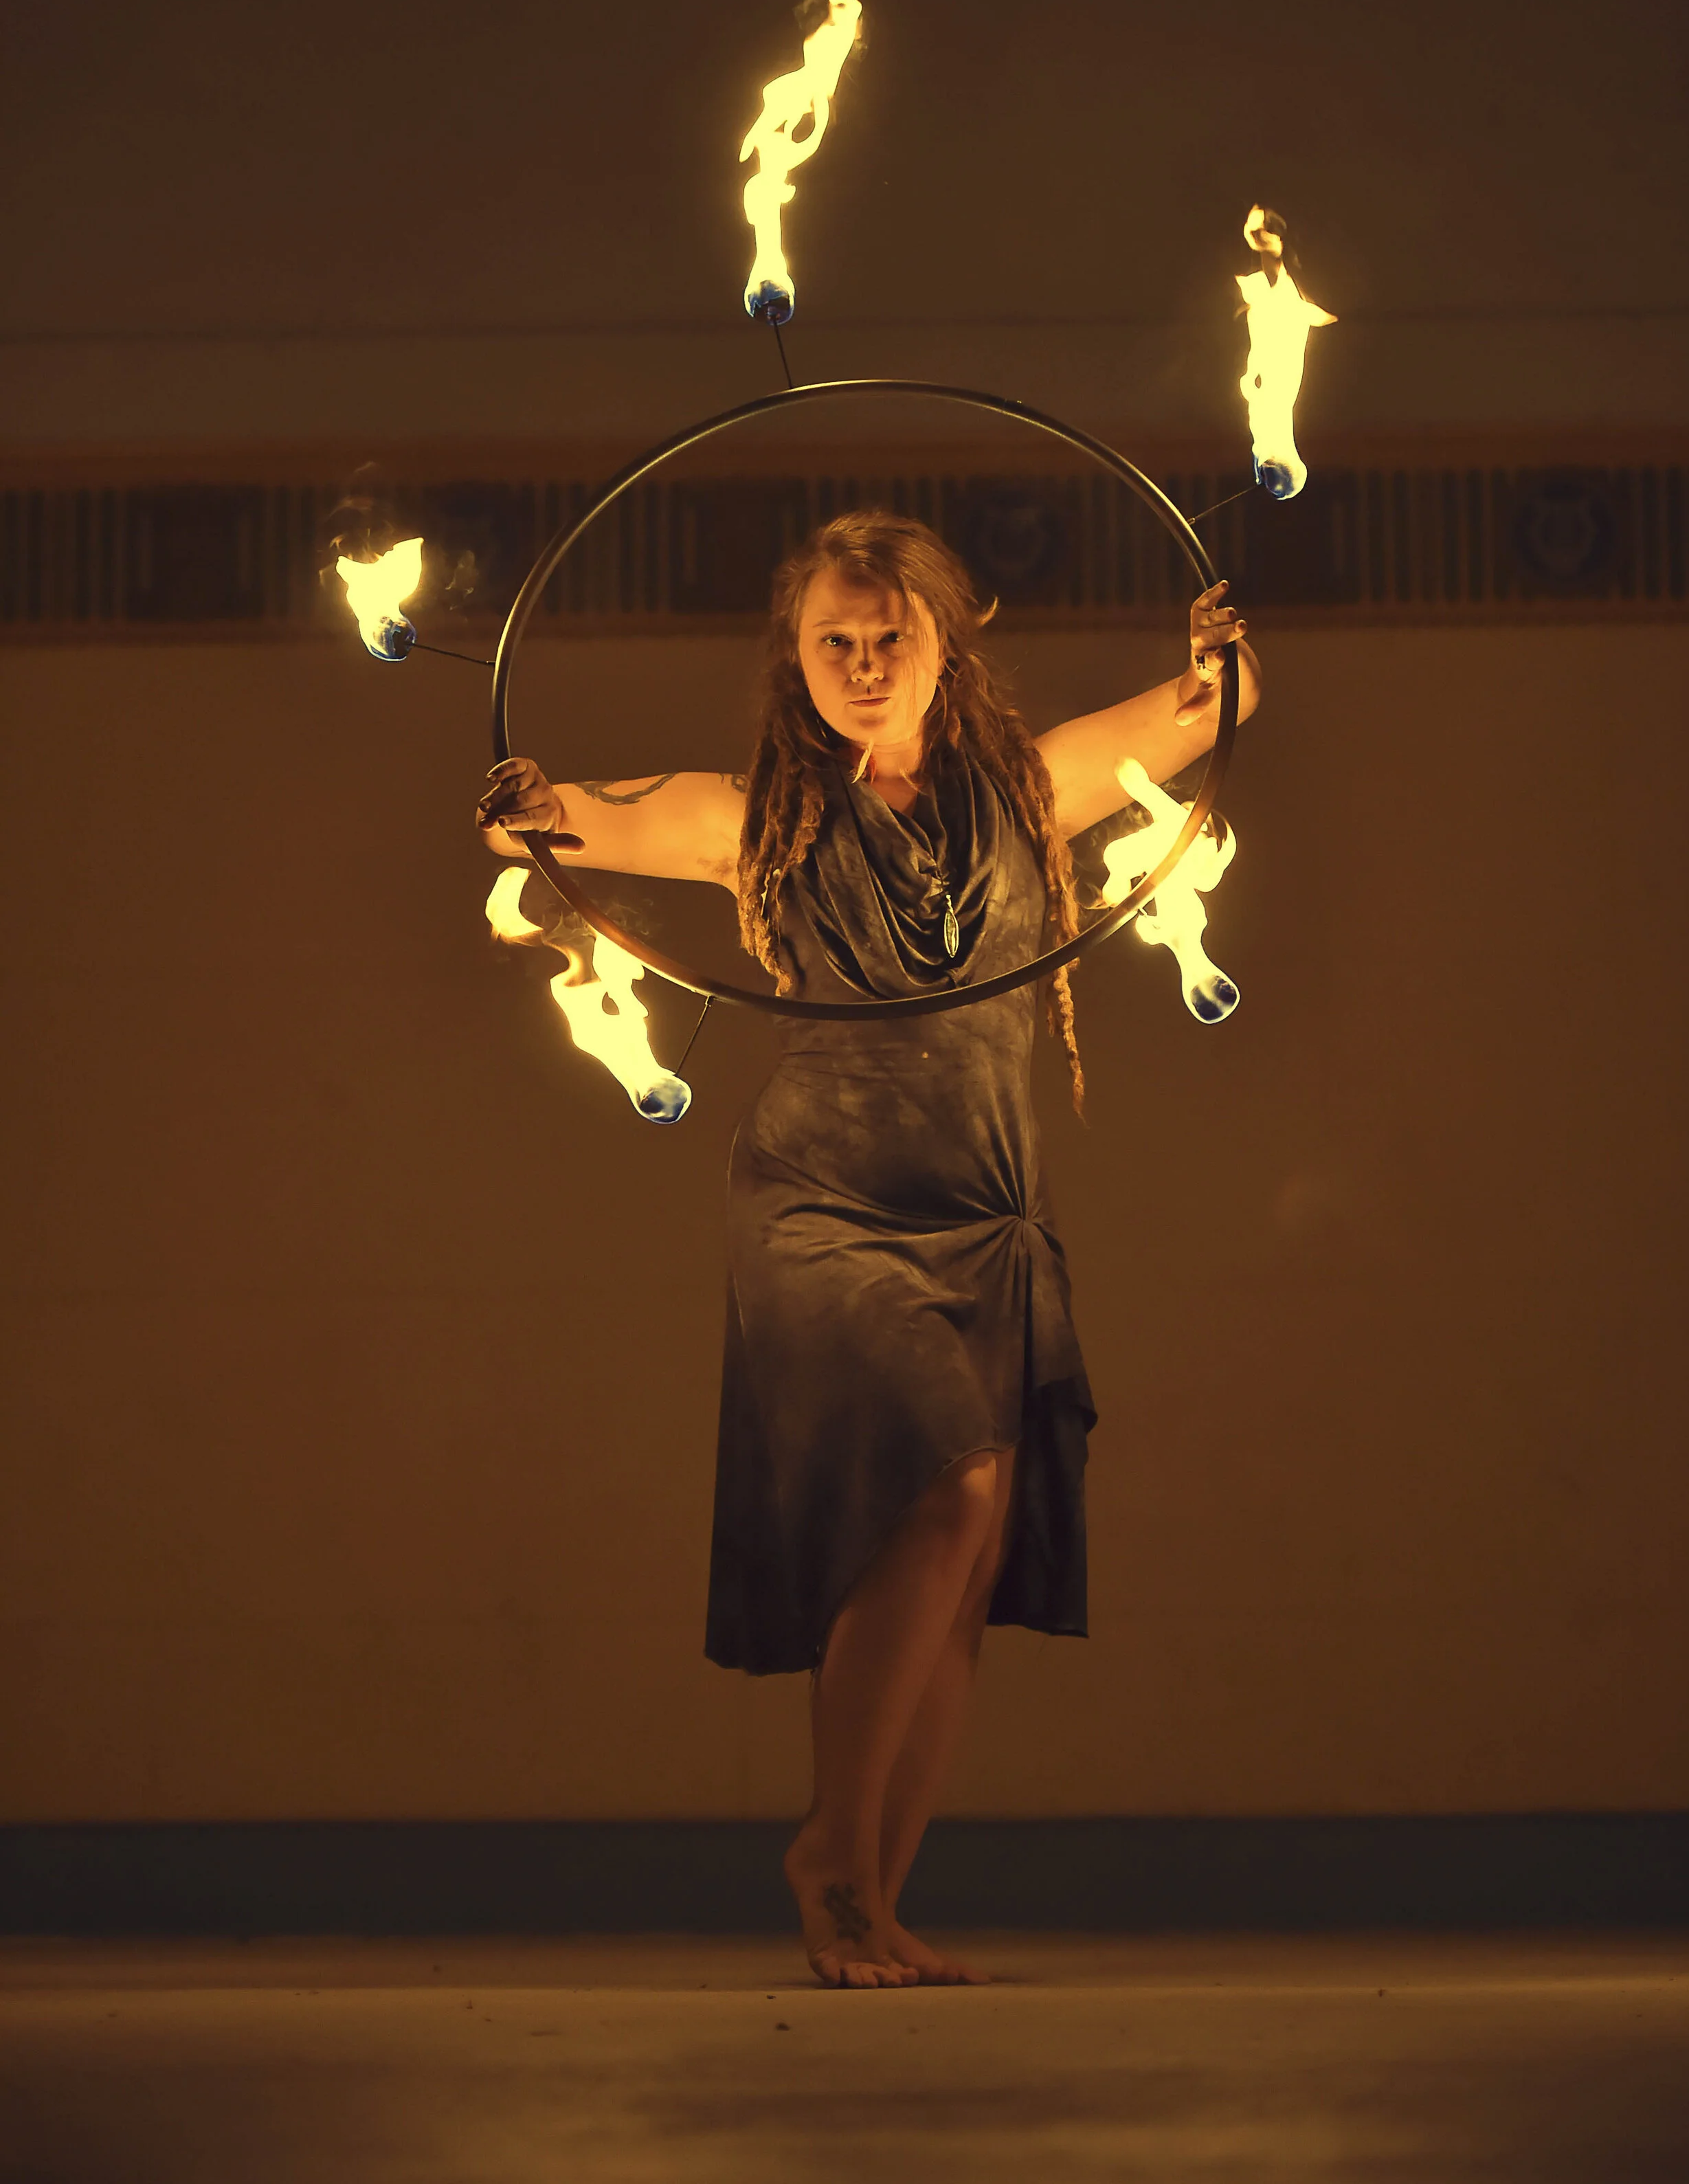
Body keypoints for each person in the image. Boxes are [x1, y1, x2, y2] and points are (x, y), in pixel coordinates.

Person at [478, 511, 1259, 1987]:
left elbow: (1208, 706)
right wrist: (525, 803)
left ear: (942, 637)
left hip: (984, 1212)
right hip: (821, 1205)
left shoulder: (1035, 791)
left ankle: (877, 1895)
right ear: (794, 653)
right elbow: (572, 818)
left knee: (958, 1562)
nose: (858, 661)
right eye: (830, 641)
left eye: (884, 635)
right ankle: (829, 1852)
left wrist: (1222, 656)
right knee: (947, 1485)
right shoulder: (759, 813)